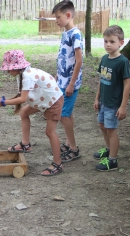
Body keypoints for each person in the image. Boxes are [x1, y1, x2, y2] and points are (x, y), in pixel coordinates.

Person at [0, 50, 64, 176]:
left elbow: (22, 99)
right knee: (24, 113)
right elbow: (22, 94)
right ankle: (25, 144)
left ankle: (58, 164)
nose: (8, 72)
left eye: (9, 69)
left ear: (18, 67)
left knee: (50, 132)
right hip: (44, 100)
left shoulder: (28, 75)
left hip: (53, 101)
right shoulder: (23, 74)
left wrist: (3, 102)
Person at [93, 25, 130, 171]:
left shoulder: (122, 62)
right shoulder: (104, 59)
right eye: (105, 41)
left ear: (121, 42)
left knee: (111, 129)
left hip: (114, 103)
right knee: (103, 126)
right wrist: (97, 98)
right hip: (104, 102)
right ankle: (108, 149)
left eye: (112, 41)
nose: (108, 44)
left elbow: (127, 84)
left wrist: (123, 106)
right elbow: (101, 81)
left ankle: (113, 160)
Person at [50, 1, 83, 163]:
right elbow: (64, 57)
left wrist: (71, 83)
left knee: (63, 114)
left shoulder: (75, 34)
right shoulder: (65, 33)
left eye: (58, 17)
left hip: (70, 84)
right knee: (68, 113)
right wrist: (57, 76)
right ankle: (69, 142)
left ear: (68, 15)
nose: (56, 20)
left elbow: (78, 61)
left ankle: (74, 149)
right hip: (62, 81)